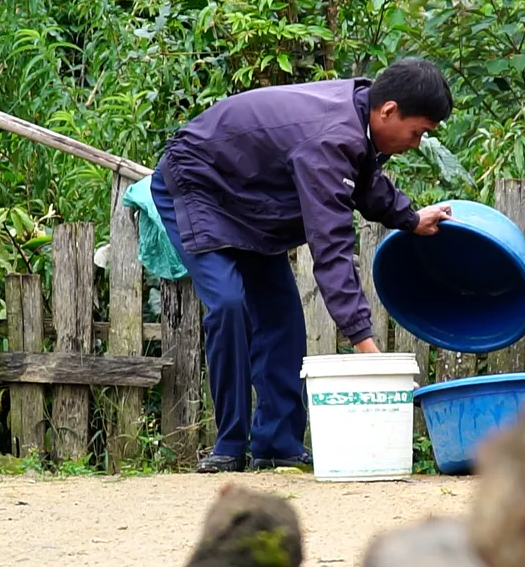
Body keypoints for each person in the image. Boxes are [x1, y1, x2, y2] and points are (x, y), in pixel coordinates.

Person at [149, 57, 455, 473]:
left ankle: (277, 445)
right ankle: (229, 446)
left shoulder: (359, 114)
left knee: (282, 317)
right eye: (417, 132)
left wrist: (409, 218)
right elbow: (330, 248)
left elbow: (363, 182)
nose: (417, 143)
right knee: (227, 303)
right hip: (198, 182)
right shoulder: (330, 139)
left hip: (250, 198)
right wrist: (366, 347)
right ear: (388, 111)